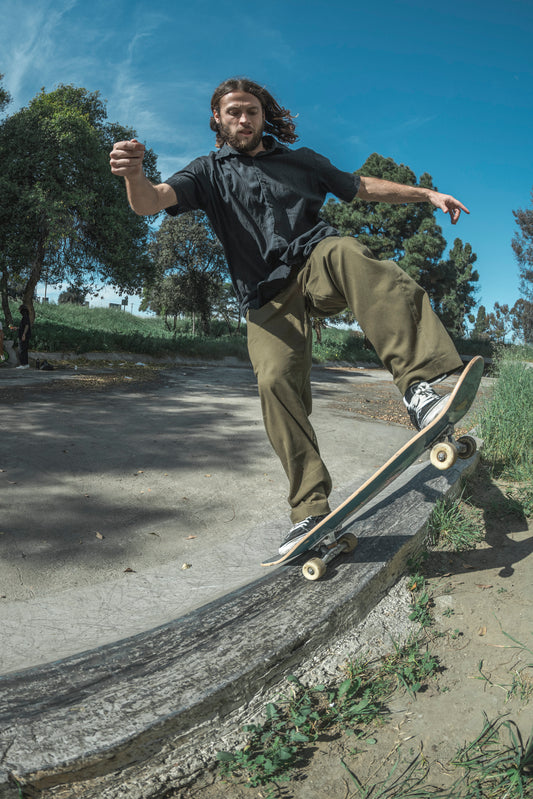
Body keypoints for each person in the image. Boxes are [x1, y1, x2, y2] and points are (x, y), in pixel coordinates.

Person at [110, 77, 470, 555]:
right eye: (234, 112)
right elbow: (152, 201)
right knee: (275, 381)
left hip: (315, 265)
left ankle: (420, 390)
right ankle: (310, 511)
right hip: (265, 297)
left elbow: (360, 186)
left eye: (251, 112)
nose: (243, 119)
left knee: (348, 252)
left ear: (263, 117)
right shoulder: (207, 173)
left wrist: (426, 195)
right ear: (217, 119)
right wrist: (134, 175)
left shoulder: (301, 161)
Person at [16, 304, 31, 370]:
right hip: (24, 335)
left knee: (22, 350)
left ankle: (23, 364)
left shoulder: (25, 317)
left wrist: (23, 334)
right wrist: (17, 328)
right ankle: (26, 364)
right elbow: (23, 326)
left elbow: (26, 326)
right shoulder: (26, 317)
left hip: (23, 336)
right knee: (24, 349)